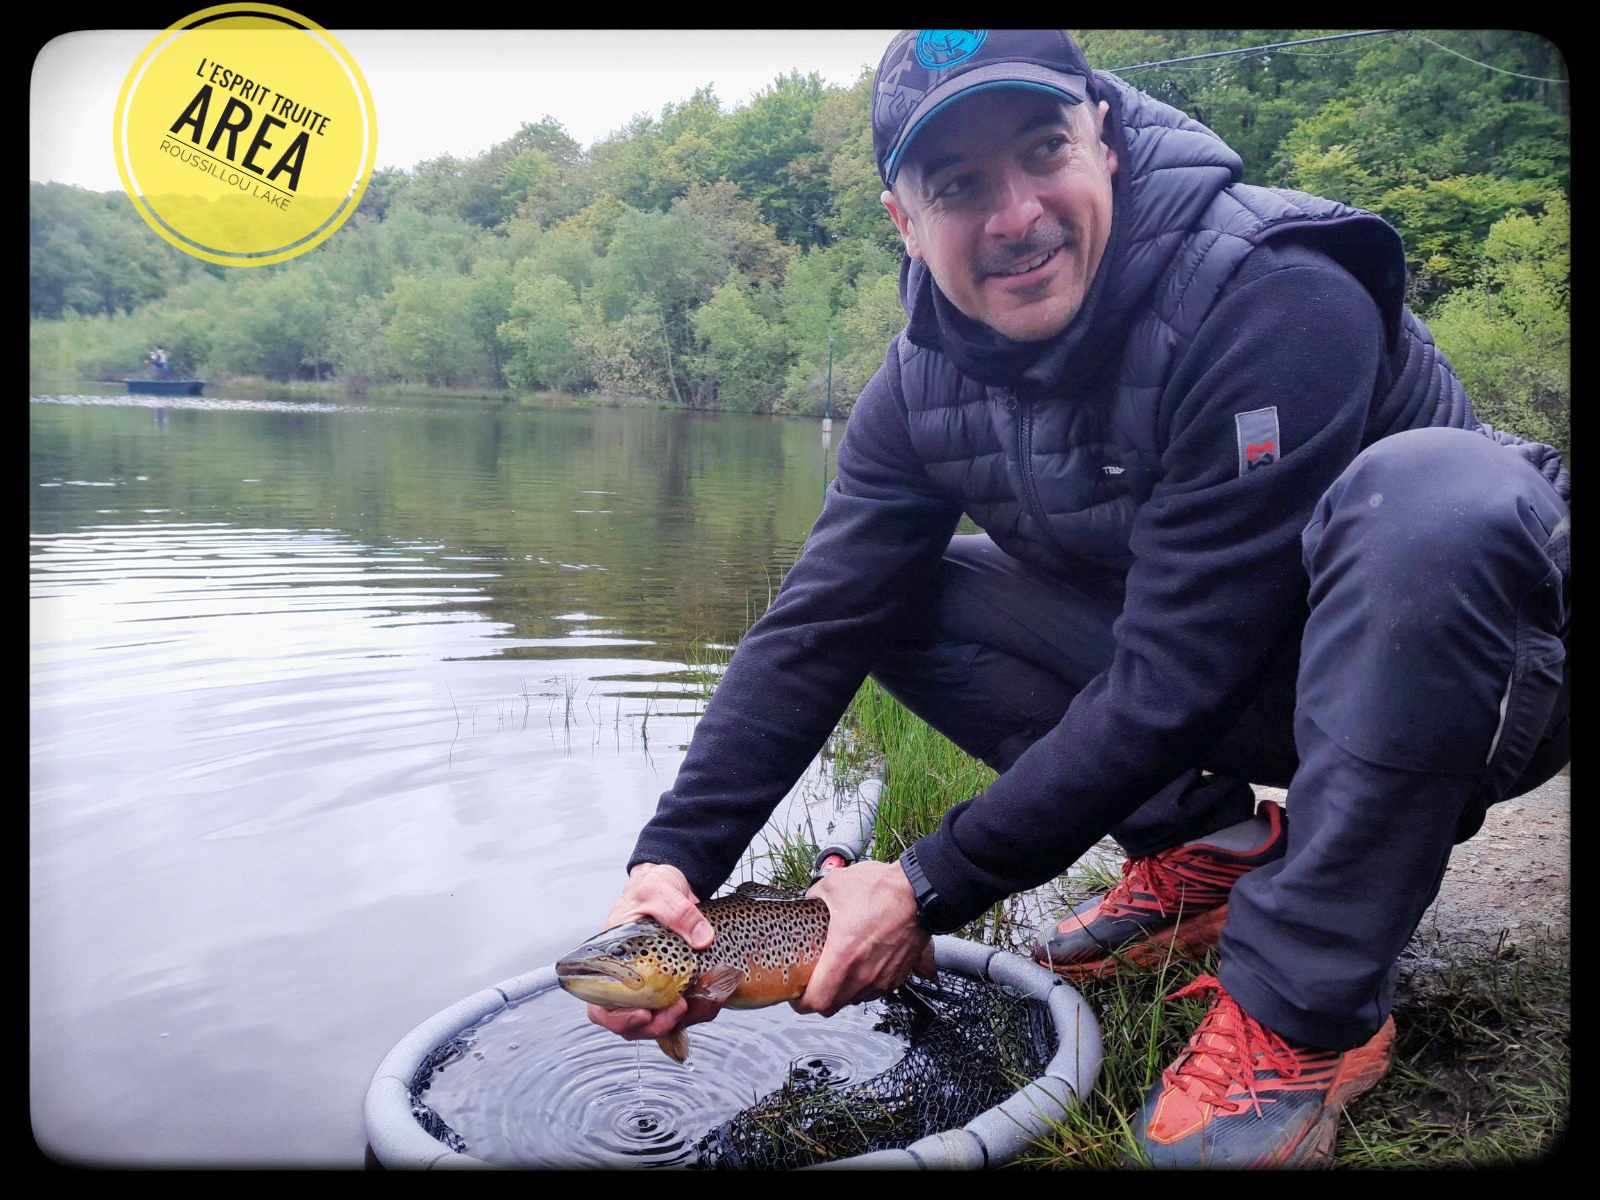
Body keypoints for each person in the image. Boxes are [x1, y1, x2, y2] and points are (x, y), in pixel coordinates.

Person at [589, 29, 1570, 1167]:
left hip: (1488, 678)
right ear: (904, 220)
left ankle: (1305, 1011)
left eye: (1042, 149)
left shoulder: (1274, 290)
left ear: (1101, 138)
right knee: (897, 599)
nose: (1015, 216)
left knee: (1437, 493)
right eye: (959, 185)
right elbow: (815, 625)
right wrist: (672, 863)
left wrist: (924, 884)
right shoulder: (916, 389)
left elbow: (1179, 667)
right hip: (1254, 676)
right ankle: (1207, 852)